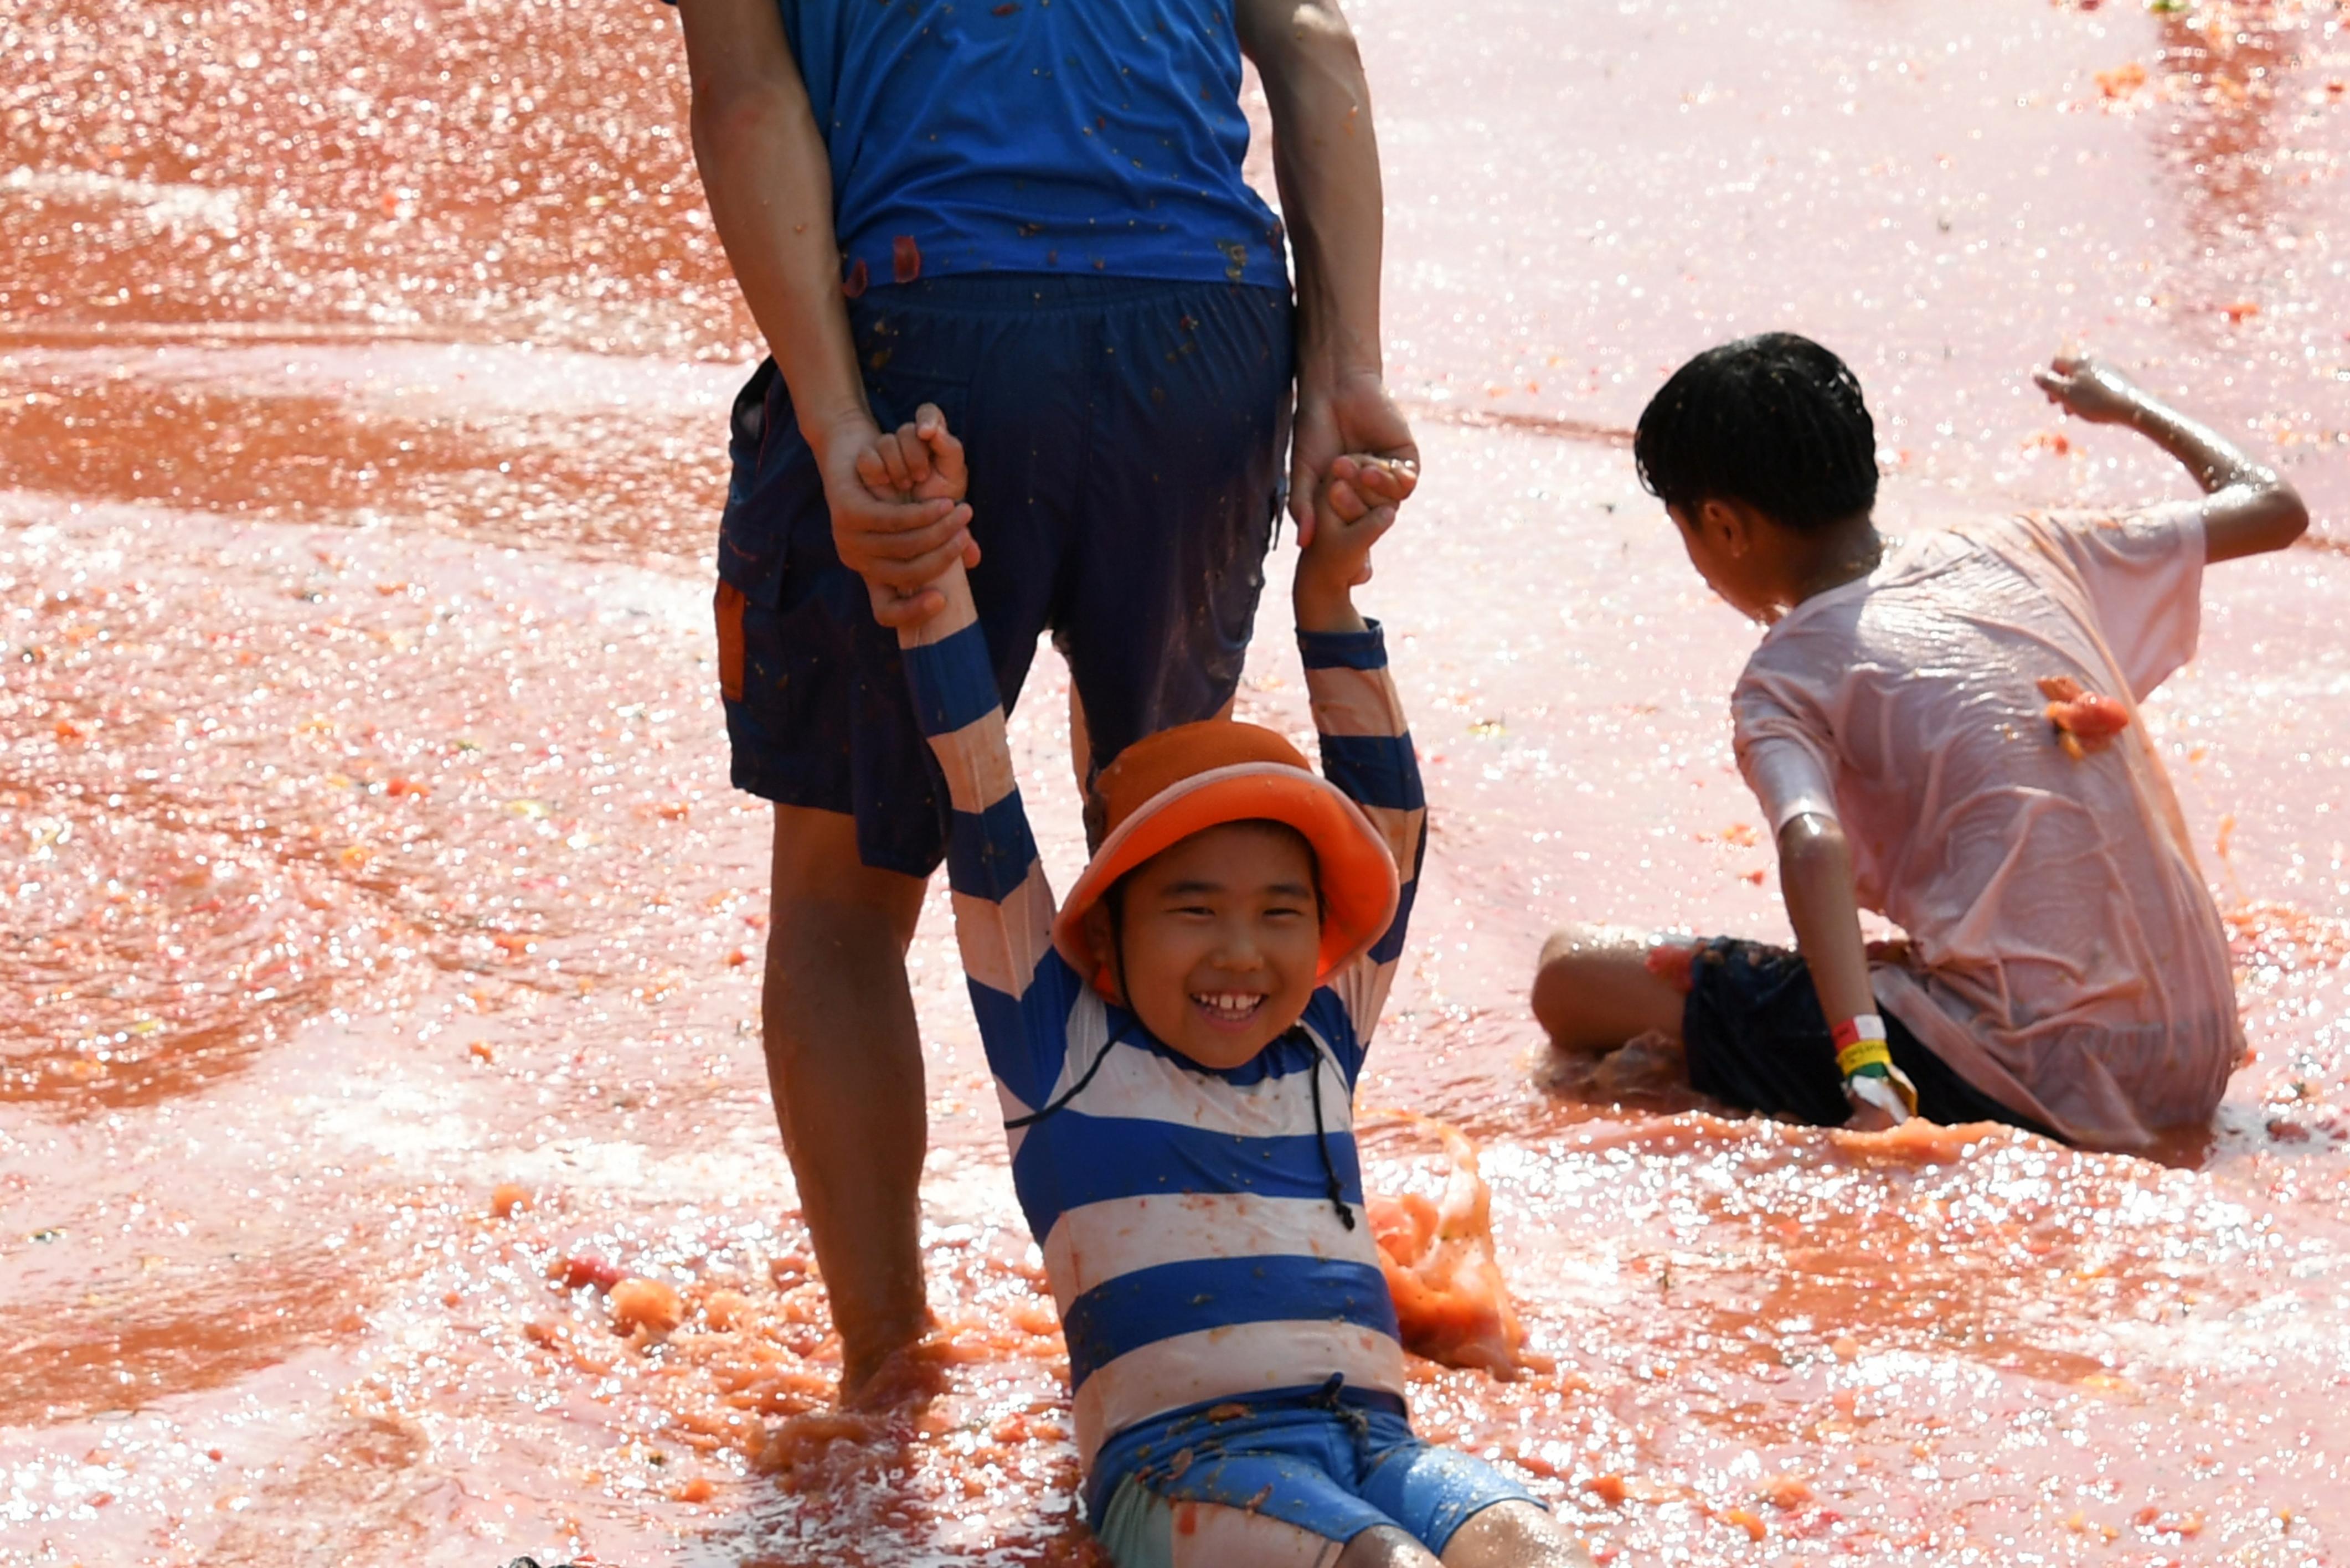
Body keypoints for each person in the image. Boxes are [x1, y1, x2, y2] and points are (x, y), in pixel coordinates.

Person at [668, 0, 1419, 1396]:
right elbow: (1312, 44)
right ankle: (1201, 1303)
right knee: (1167, 847)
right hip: (1201, 325)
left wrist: (836, 430)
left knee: (842, 904)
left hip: (922, 322)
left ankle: (890, 1362)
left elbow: (751, 100)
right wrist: (1346, 371)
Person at [870, 405, 1583, 1568]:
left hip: (1375, 1448)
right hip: (1182, 1469)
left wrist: (1331, 600)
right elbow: (982, 796)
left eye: (1279, 916)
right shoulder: (1064, 1052)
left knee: (1522, 1545)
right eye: (1195, 911)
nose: (1241, 957)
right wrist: (941, 598)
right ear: (1108, 934)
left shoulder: (1318, 1044)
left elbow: (1391, 822)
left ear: (1320, 941)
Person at [1530, 338, 2306, 1149]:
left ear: (1722, 525)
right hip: (2194, 1047)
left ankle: (1878, 1056)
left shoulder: (1786, 676)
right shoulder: (2028, 549)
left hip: (2032, 1070)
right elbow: (2273, 506)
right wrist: (2128, 404)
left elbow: (1811, 839)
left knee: (1573, 973)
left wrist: (1866, 1068)